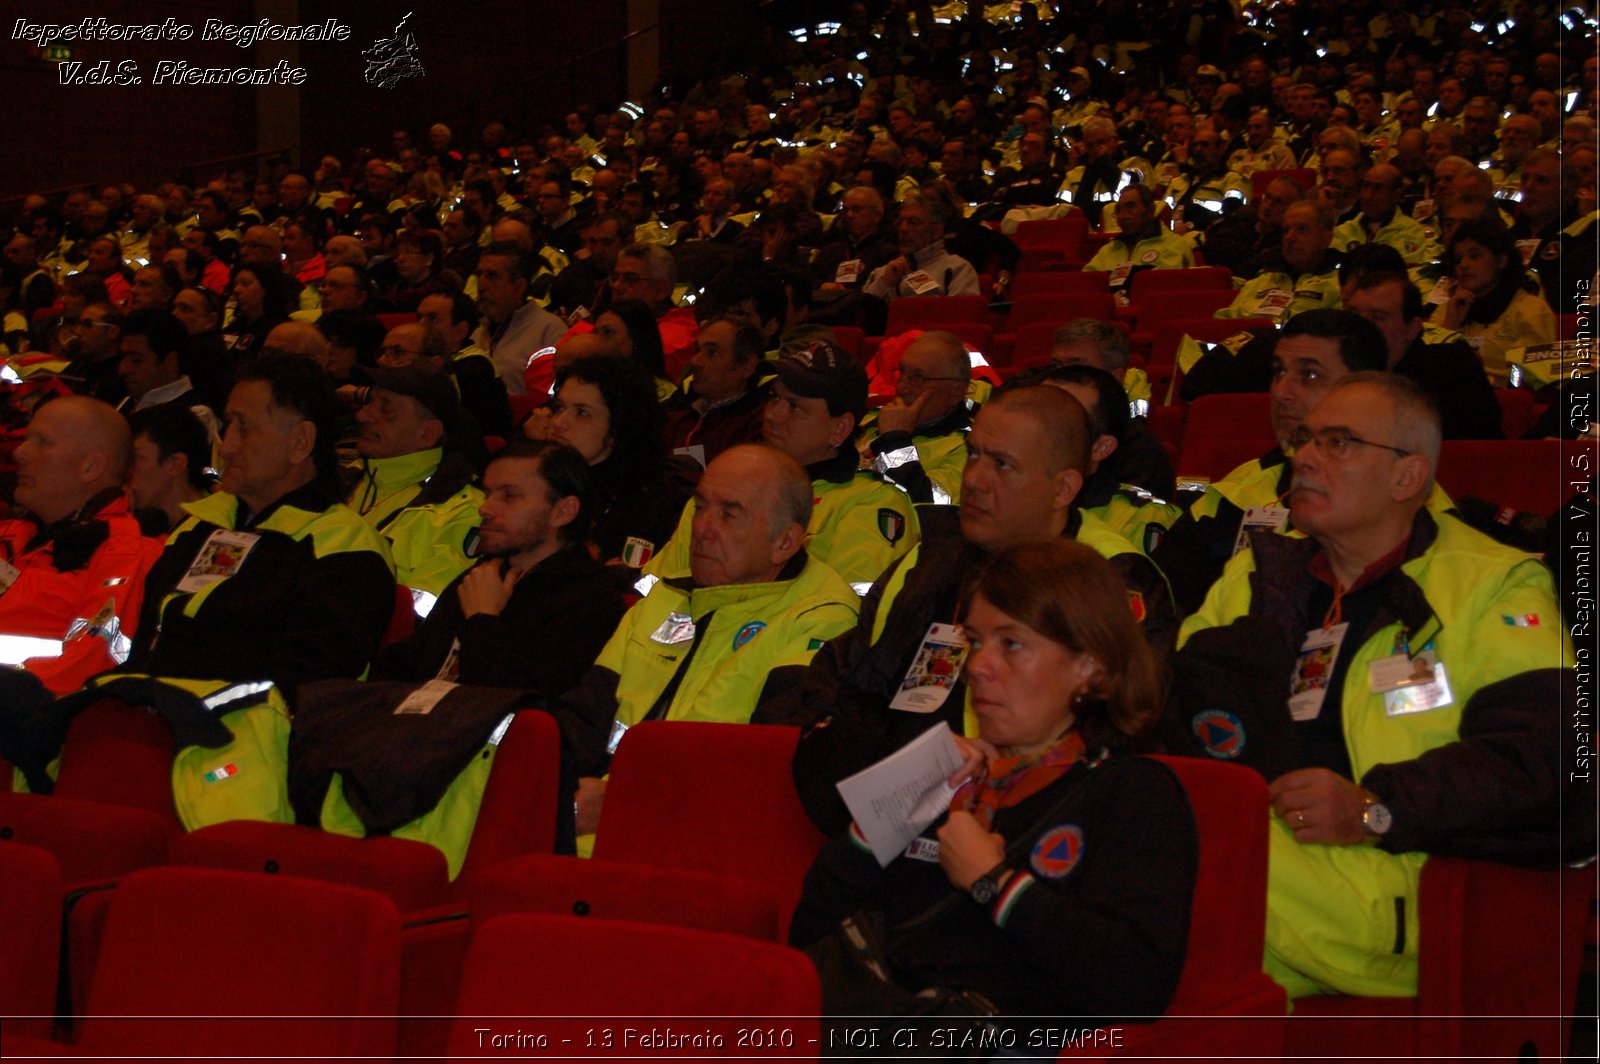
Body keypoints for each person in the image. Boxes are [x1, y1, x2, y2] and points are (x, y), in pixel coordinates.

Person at [1175, 373, 1578, 999]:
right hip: (1263, 863)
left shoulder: (1495, 584)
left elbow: (1541, 755)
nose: (1303, 456)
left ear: (1407, 477)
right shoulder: (1257, 575)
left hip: (1399, 884)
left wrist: (1371, 809)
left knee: (1164, 862)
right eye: (1304, 439)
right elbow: (1169, 716)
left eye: (1338, 443)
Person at [789, 540, 1196, 1023]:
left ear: (1089, 667)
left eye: (1012, 644)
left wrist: (993, 884)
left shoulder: (1131, 794)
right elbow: (808, 934)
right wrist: (891, 805)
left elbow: (1135, 988)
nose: (978, 666)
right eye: (976, 642)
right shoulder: (943, 779)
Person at [775, 385, 1178, 835]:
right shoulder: (928, 562)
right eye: (973, 455)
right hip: (895, 833)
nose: (974, 479)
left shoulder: (1110, 580)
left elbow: (1116, 738)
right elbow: (846, 695)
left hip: (1029, 843)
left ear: (1062, 488)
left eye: (1002, 464)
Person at [552, 444, 861, 845]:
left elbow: (767, 771)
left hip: (697, 846)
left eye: (729, 514)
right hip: (593, 829)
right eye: (700, 507)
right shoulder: (666, 597)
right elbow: (584, 718)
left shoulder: (822, 617)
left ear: (785, 543)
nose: (701, 528)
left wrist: (623, 798)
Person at [122, 354, 395, 690]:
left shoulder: (344, 549)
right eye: (228, 425)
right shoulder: (198, 525)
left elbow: (304, 690)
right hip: (153, 718)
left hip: (246, 735)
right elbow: (147, 645)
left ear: (300, 442)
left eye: (245, 427)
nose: (227, 447)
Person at [1153, 310, 1390, 616]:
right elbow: (1161, 601)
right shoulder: (1237, 492)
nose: (1281, 392)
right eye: (1278, 372)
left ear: (1366, 391)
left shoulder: (1406, 502)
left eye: (1310, 375)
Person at [646, 341, 918, 592]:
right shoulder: (721, 489)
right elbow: (653, 586)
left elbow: (846, 616)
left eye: (794, 406)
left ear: (840, 428)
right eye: (774, 398)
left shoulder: (868, 504)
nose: (772, 415)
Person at [376, 439, 626, 692]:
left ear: (563, 511)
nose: (485, 508)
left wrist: (482, 620)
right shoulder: (485, 574)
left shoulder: (591, 604)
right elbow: (404, 666)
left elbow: (517, 708)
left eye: (509, 496)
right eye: (488, 494)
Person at [0, 396, 164, 694]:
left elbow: (90, 662)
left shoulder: (123, 553)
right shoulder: (15, 534)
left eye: (42, 441)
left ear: (91, 467)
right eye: (26, 439)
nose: (20, 452)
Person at [347, 362, 484, 613]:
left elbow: (420, 615)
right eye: (369, 402)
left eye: (386, 409)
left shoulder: (463, 512)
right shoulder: (339, 478)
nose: (362, 415)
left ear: (427, 434)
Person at [542, 353, 697, 569]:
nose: (559, 422)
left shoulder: (650, 501)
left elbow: (644, 585)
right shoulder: (541, 478)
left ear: (619, 426)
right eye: (559, 407)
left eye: (581, 413)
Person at [1344, 271, 1502, 439]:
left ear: (1412, 328)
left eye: (1377, 318)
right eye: (1354, 316)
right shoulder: (1337, 367)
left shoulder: (1451, 369)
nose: (1361, 327)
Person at [1428, 218, 1556, 385]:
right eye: (1458, 259)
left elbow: (1530, 380)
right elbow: (1428, 371)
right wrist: (1449, 327)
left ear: (1501, 261)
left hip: (1507, 403)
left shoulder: (1531, 310)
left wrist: (1486, 381)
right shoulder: (1447, 310)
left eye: (1474, 256)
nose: (1464, 265)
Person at [862, 330, 973, 506]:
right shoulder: (870, 419)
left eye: (917, 378)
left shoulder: (969, 447)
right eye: (902, 373)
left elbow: (932, 506)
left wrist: (895, 442)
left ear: (955, 392)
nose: (902, 388)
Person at [662, 316, 770, 467]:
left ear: (747, 365)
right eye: (698, 350)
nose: (696, 361)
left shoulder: (756, 427)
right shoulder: (677, 414)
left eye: (712, 353)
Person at [471, 242, 566, 396]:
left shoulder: (549, 329)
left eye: (492, 275)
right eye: (479, 275)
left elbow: (559, 395)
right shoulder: (477, 333)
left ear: (518, 287)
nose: (481, 285)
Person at [862, 194, 979, 304]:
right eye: (900, 222)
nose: (903, 229)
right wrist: (883, 284)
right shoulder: (882, 273)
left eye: (913, 223)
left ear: (936, 231)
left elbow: (963, 318)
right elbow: (861, 316)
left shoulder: (957, 269)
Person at [127, 404, 214, 535]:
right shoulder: (131, 525)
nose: (126, 470)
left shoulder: (216, 530)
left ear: (175, 464)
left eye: (135, 458)